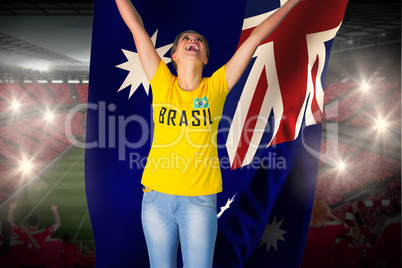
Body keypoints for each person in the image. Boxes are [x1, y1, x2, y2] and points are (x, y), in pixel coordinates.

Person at [115, 0, 302, 266]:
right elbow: (136, 26)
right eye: (186, 39)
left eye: (199, 40)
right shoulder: (161, 81)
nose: (193, 40)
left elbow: (256, 37)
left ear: (205, 58)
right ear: (174, 56)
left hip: (199, 205)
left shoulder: (216, 86)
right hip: (156, 200)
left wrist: (292, 3)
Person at [301, 199, 353, 268]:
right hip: (327, 264)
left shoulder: (304, 229)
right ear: (325, 211)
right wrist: (331, 215)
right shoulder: (333, 227)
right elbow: (347, 228)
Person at [8, 203, 61, 268]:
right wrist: (55, 210)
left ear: (28, 222)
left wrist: (11, 209)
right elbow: (57, 224)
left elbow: (9, 223)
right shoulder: (43, 233)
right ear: (38, 223)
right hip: (39, 264)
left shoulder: (22, 232)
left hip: (25, 264)